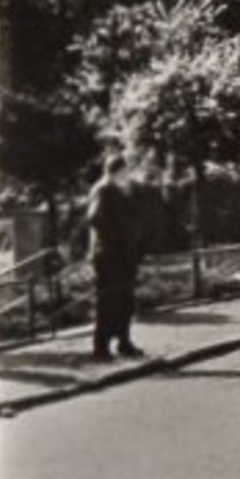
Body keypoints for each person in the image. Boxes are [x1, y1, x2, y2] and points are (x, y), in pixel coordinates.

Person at [89, 153, 145, 363]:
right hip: (109, 256)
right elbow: (95, 219)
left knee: (125, 300)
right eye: (125, 170)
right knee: (108, 301)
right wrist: (117, 242)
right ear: (116, 171)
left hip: (124, 255)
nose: (128, 174)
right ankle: (100, 347)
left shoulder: (122, 191)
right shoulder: (103, 190)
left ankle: (124, 341)